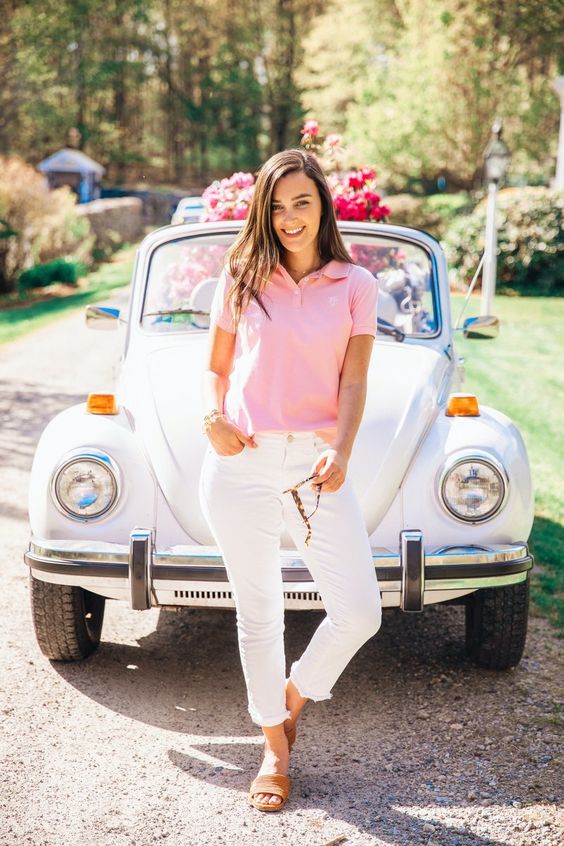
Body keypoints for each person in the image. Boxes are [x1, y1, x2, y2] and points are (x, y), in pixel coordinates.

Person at [199, 148, 382, 812]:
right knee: (260, 614)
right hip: (240, 462)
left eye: (301, 202)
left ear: (324, 205)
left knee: (360, 610)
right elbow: (215, 366)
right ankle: (274, 749)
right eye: (276, 206)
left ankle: (288, 701)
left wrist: (343, 449)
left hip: (316, 465)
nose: (289, 217)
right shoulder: (242, 274)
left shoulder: (356, 285)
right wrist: (210, 416)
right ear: (262, 212)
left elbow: (355, 379)